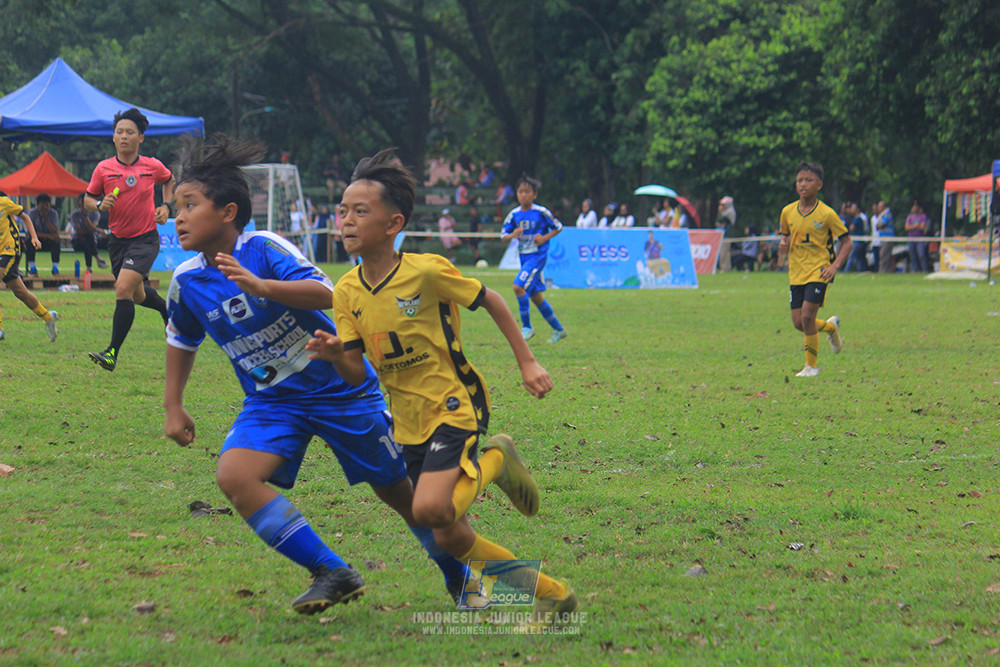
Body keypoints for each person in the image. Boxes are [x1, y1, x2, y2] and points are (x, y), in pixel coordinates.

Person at [163, 135, 468, 615]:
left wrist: (265, 287)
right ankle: (332, 571)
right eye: (174, 207)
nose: (176, 217)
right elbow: (181, 339)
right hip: (272, 401)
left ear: (227, 212)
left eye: (188, 204)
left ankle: (460, 577)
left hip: (340, 388)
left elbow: (331, 294)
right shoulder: (188, 281)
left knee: (400, 495)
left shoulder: (262, 249)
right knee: (235, 476)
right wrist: (173, 404)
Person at [306, 148, 577, 631]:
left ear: (394, 224)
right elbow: (355, 372)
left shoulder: (426, 271)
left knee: (429, 507)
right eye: (342, 211)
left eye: (359, 212)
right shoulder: (344, 290)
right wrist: (335, 355)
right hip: (407, 419)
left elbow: (491, 299)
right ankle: (553, 596)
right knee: (449, 535)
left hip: (455, 402)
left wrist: (528, 361)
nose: (345, 221)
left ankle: (493, 459)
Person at [84, 107, 175, 372]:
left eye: (130, 132)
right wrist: (100, 204)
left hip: (145, 239)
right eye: (119, 132)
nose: (124, 136)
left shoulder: (151, 166)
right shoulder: (104, 169)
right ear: (113, 137)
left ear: (141, 138)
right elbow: (87, 200)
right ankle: (167, 310)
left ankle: (111, 353)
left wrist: (167, 206)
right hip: (117, 241)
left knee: (122, 288)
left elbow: (170, 180)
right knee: (136, 295)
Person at [778, 162, 851, 378]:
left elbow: (847, 242)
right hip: (796, 273)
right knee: (799, 323)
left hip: (819, 272)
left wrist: (835, 266)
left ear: (819, 184)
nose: (803, 184)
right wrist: (783, 245)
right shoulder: (787, 212)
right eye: (800, 180)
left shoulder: (827, 214)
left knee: (808, 317)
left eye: (808, 180)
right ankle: (830, 328)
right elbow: (787, 237)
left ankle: (811, 367)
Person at [500, 175, 567, 343]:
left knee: (518, 287)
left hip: (537, 257)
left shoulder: (541, 212)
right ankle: (559, 329)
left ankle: (527, 327)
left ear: (534, 195)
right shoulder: (514, 215)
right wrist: (512, 235)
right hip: (525, 258)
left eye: (527, 192)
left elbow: (558, 227)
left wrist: (545, 238)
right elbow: (503, 236)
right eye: (520, 192)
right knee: (536, 297)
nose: (523, 195)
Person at [0, 192, 58, 342]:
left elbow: (25, 216)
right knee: (20, 292)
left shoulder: (4, 202)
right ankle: (48, 317)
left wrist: (34, 237)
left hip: (10, 250)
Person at [69, 193, 109, 272]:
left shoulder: (95, 213)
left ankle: (89, 267)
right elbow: (79, 231)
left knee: (88, 239)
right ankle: (98, 258)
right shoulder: (74, 214)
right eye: (82, 201)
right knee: (88, 237)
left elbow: (92, 228)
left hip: (90, 240)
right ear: (78, 202)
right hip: (77, 240)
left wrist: (85, 216)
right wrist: (98, 230)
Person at [25, 194, 62, 276]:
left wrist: (46, 219)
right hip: (36, 239)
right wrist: (48, 236)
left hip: (48, 241)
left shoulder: (53, 213)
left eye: (47, 205)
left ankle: (55, 268)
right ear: (37, 205)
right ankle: (32, 268)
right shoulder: (32, 213)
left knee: (56, 241)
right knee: (29, 241)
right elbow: (31, 231)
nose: (45, 208)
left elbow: (55, 231)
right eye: (42, 206)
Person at [905, 200, 931, 273]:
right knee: (913, 256)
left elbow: (922, 227)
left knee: (921, 255)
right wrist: (916, 225)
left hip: (920, 238)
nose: (914, 208)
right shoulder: (910, 217)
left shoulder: (923, 216)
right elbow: (907, 227)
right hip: (911, 238)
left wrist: (912, 227)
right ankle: (915, 270)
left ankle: (924, 270)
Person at [844, 202, 869, 272]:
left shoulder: (858, 219)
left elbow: (851, 228)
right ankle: (861, 270)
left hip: (857, 241)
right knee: (859, 258)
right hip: (860, 241)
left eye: (853, 209)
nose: (851, 210)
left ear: (857, 210)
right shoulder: (858, 218)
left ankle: (846, 271)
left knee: (852, 256)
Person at [716, 196, 736, 272]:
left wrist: (720, 212)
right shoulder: (726, 211)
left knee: (724, 251)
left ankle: (725, 268)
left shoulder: (729, 212)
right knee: (723, 251)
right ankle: (725, 267)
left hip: (727, 234)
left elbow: (720, 220)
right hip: (724, 233)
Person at [875, 200, 895, 274]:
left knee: (884, 255)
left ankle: (882, 272)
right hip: (883, 239)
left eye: (880, 206)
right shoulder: (882, 215)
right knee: (886, 256)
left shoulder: (887, 214)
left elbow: (881, 224)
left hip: (888, 238)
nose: (879, 208)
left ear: (884, 207)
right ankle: (888, 272)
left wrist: (878, 225)